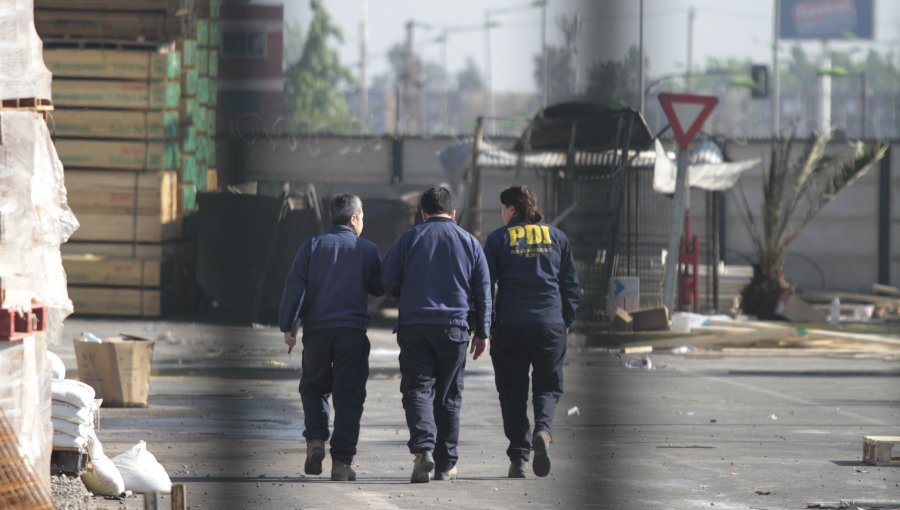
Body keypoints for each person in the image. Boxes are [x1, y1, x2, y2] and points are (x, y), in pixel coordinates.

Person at [381, 186, 491, 483]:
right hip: (455, 329)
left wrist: (407, 293)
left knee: (417, 390)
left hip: (415, 327)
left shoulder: (409, 238)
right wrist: (483, 331)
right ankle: (447, 465)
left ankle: (423, 450)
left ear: (423, 213)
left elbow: (387, 280)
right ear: (453, 214)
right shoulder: (470, 242)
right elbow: (483, 292)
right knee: (449, 395)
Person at [278, 193, 383, 482]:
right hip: (352, 335)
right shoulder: (367, 249)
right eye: (362, 217)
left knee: (313, 387)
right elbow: (379, 286)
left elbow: (295, 287)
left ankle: (315, 441)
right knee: (349, 398)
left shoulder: (312, 246)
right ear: (353, 218)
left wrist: (288, 325)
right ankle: (342, 464)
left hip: (317, 335)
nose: (363, 222)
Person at [482, 185, 581, 479]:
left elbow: (485, 287)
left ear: (511, 209)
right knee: (548, 386)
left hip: (510, 326)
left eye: (503, 208)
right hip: (549, 324)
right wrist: (564, 320)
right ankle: (544, 430)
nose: (502, 214)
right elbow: (571, 286)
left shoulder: (499, 239)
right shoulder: (557, 237)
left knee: (512, 392)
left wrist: (485, 325)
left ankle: (519, 459)